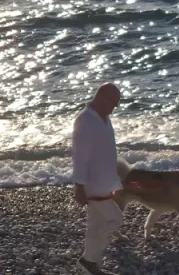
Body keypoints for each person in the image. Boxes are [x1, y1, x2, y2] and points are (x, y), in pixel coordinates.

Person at [71, 83, 123, 275]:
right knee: (115, 219)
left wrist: (114, 181)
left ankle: (90, 265)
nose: (114, 108)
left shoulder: (105, 118)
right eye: (113, 103)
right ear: (101, 96)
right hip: (92, 184)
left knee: (96, 225)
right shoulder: (85, 120)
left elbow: (109, 152)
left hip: (105, 181)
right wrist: (79, 186)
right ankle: (89, 260)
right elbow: (80, 155)